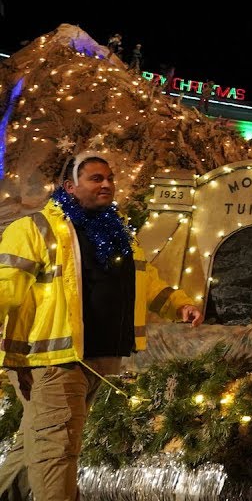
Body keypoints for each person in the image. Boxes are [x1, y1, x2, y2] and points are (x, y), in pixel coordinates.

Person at [0, 153, 204, 500]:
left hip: (98, 359)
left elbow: (145, 281)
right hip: (53, 360)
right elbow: (5, 285)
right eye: (96, 178)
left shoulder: (118, 232)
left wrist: (177, 303)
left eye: (109, 177)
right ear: (70, 186)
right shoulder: (35, 229)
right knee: (56, 451)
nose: (107, 184)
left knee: (33, 446)